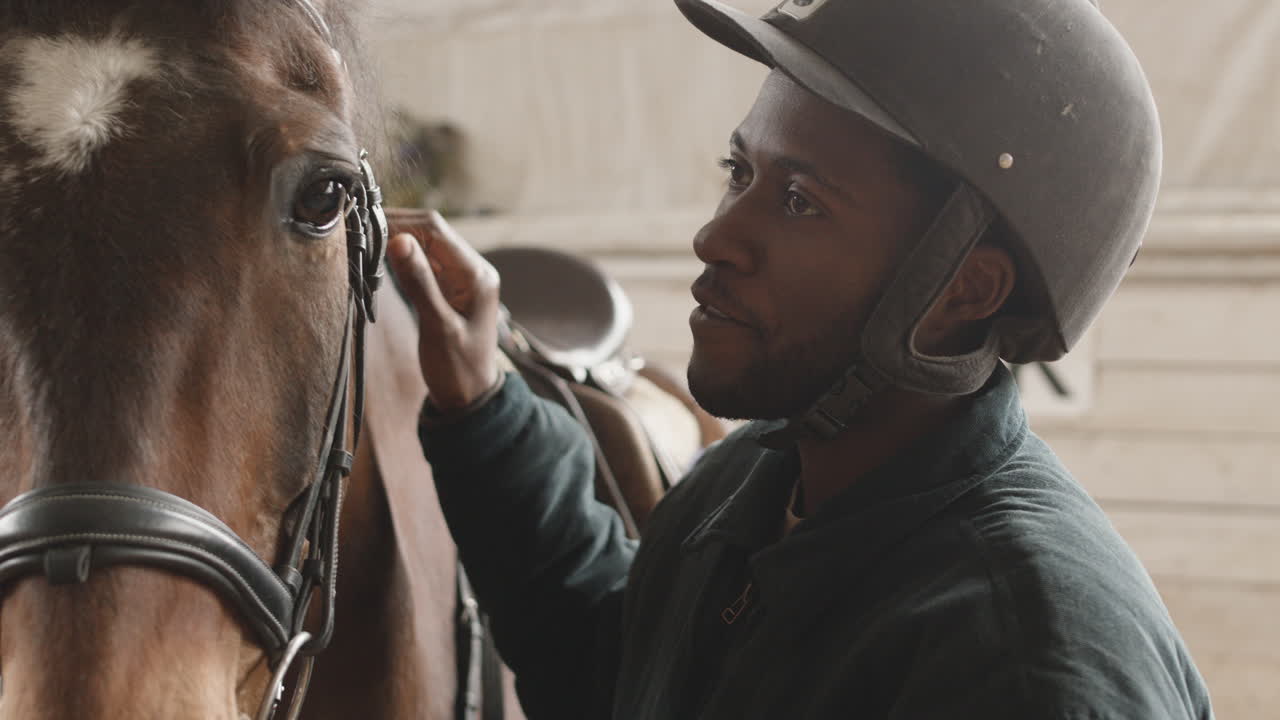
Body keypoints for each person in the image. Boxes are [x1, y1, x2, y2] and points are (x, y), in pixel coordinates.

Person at [386, 0, 1214, 717]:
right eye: (738, 171)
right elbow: (613, 679)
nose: (715, 237)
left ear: (965, 288)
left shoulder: (1021, 666)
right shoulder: (754, 482)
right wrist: (484, 404)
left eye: (798, 201)